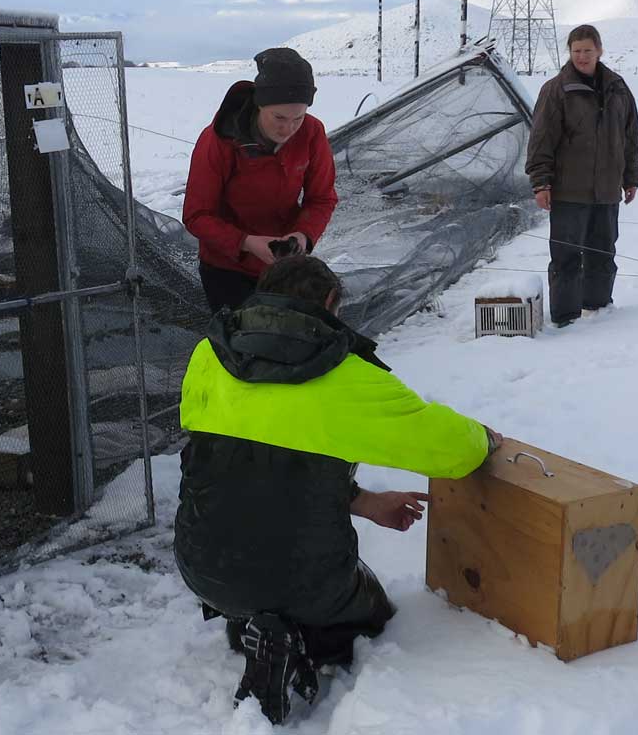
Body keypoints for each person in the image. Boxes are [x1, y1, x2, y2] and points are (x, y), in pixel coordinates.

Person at [174, 255, 501, 725]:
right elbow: (449, 450)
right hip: (305, 578)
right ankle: (294, 642)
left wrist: (363, 502)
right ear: (328, 305)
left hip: (203, 565)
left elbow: (246, 463)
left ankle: (252, 624)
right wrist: (485, 440)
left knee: (253, 579)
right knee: (369, 614)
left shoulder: (209, 354)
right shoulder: (346, 374)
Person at [182, 48, 338, 314]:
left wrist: (302, 236)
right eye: (279, 118)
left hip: (285, 268)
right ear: (259, 104)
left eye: (297, 118)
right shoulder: (219, 140)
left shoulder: (312, 133)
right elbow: (196, 215)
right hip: (227, 268)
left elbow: (322, 198)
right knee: (244, 346)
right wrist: (246, 242)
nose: (288, 128)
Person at [526, 24, 638, 328]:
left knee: (603, 251)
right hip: (568, 191)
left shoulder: (618, 87)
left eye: (587, 50)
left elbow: (630, 137)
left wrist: (631, 178)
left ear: (599, 50)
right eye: (576, 51)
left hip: (606, 191)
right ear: (570, 52)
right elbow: (541, 140)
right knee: (566, 256)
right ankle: (565, 318)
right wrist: (541, 183)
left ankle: (599, 308)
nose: (581, 56)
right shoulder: (556, 89)